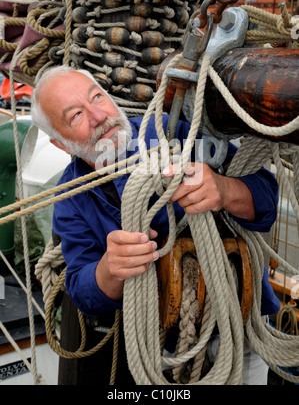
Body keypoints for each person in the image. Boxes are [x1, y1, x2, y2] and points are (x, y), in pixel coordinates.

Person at [31, 65, 280, 385]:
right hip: (159, 345)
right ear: (61, 145)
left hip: (238, 325)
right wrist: (110, 268)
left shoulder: (173, 131)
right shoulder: (71, 197)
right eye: (76, 115)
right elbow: (82, 290)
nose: (97, 116)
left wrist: (224, 189)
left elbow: (266, 197)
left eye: (97, 97)